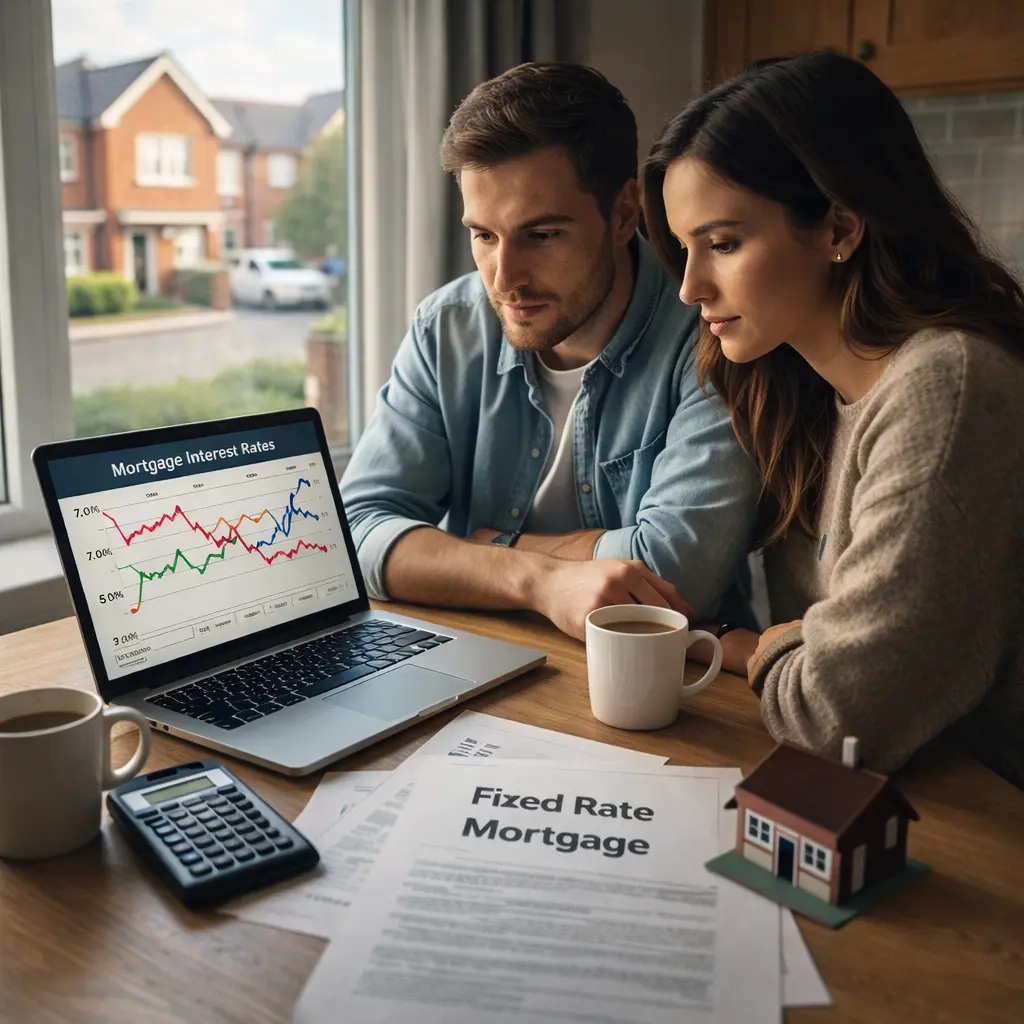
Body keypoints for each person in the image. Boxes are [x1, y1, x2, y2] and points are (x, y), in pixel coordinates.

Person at [641, 50, 1024, 785]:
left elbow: (833, 721)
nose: (690, 287)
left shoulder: (946, 388)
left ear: (839, 227)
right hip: (897, 796)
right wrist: (802, 646)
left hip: (987, 821)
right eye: (685, 249)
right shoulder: (795, 391)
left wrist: (768, 647)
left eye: (723, 244)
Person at [340, 62, 761, 643]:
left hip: (673, 684)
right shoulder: (449, 327)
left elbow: (674, 573)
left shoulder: (715, 333)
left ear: (622, 214)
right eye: (484, 235)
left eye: (540, 235)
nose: (504, 278)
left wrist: (475, 549)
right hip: (479, 658)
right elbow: (356, 533)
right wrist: (533, 579)